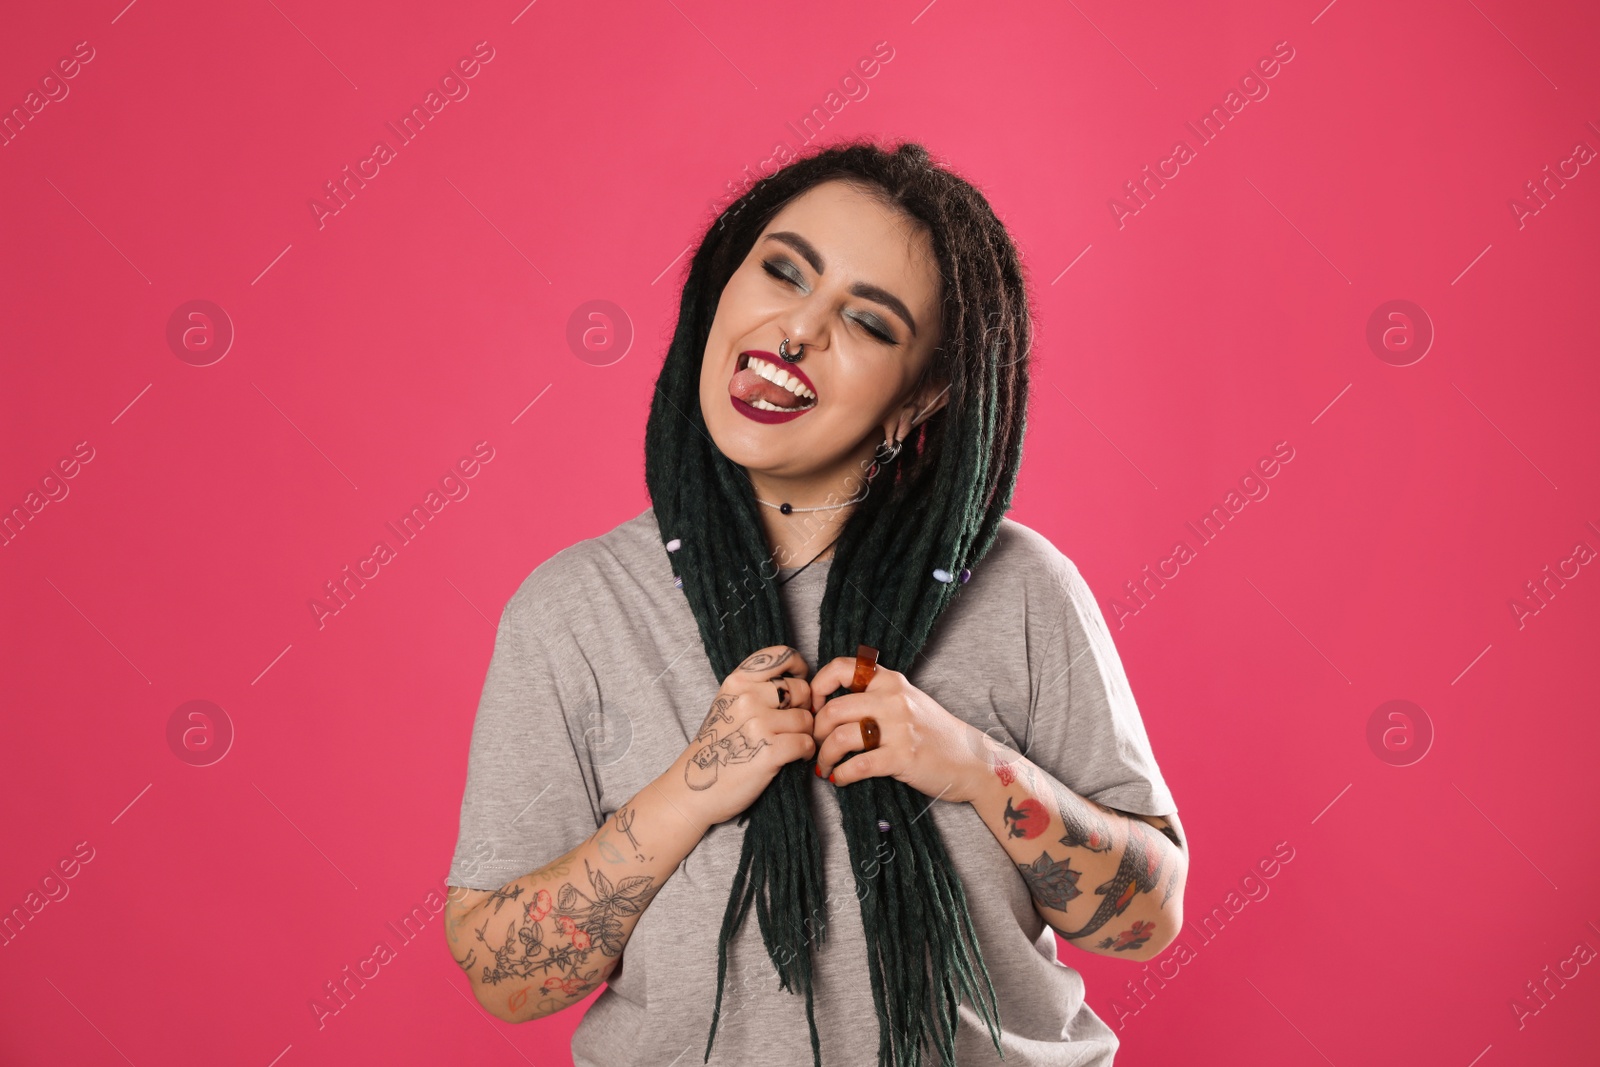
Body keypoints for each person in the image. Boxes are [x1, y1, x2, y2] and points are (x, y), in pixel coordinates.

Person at [444, 139, 1187, 1067]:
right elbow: (506, 978)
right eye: (783, 271)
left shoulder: (1025, 589)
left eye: (869, 323)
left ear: (919, 401)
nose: (797, 329)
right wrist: (693, 789)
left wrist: (967, 763)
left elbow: (1147, 919)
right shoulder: (573, 611)